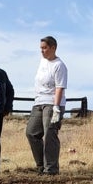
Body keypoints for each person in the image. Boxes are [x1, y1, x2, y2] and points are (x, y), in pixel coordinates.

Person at [26, 35, 68, 175]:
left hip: (52, 103)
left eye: (45, 48)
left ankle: (51, 169)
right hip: (39, 102)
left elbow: (59, 87)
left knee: (50, 134)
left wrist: (56, 107)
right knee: (31, 133)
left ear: (53, 48)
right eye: (41, 48)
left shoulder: (59, 65)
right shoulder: (42, 62)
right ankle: (41, 166)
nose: (42, 51)